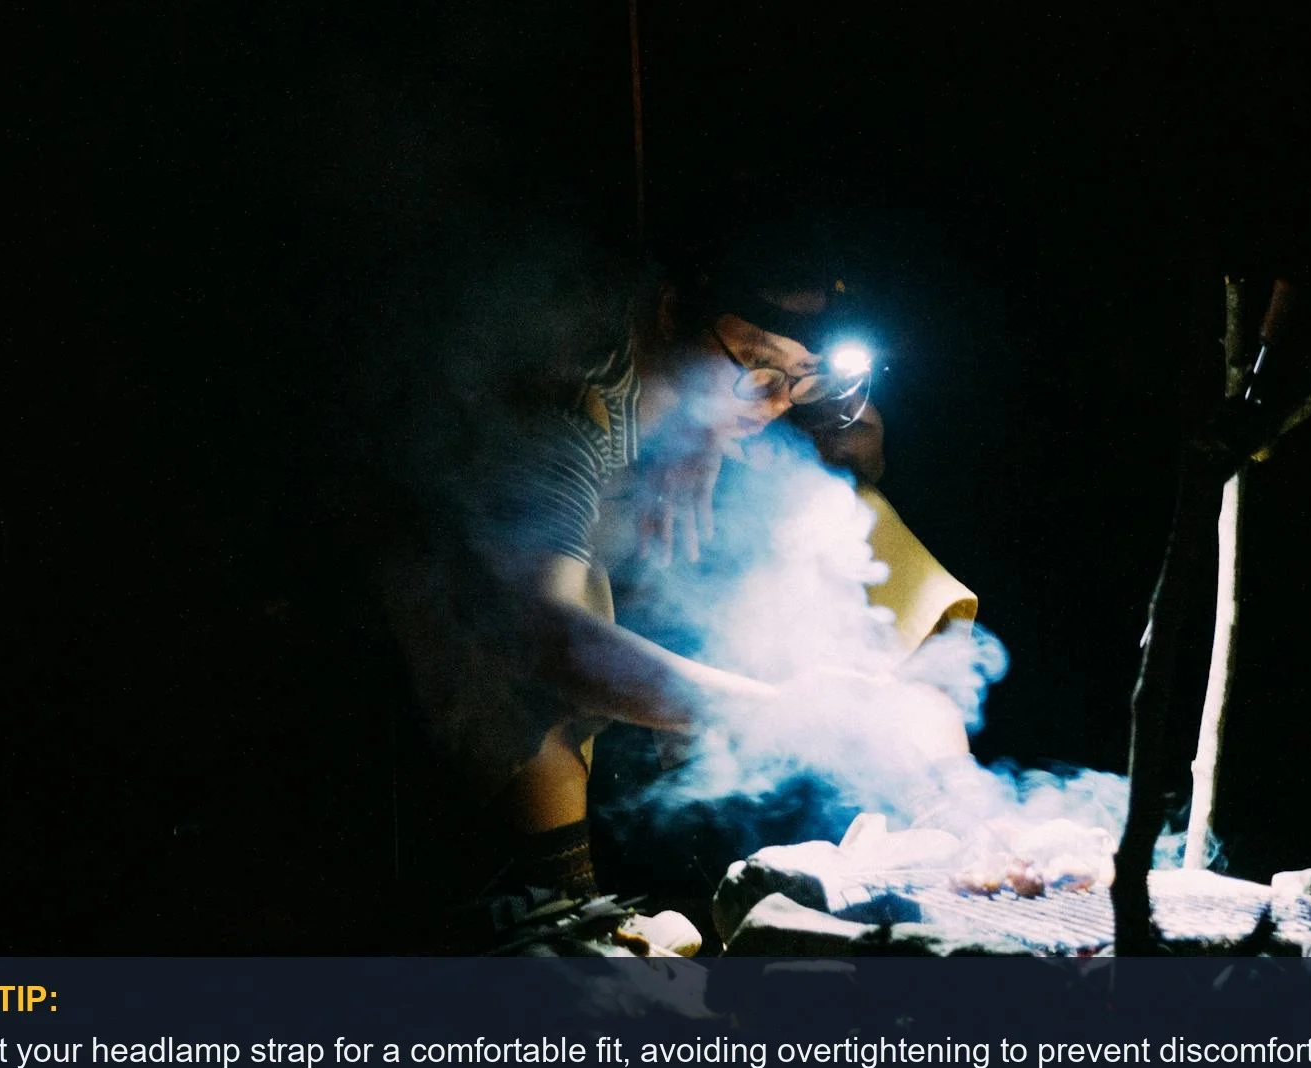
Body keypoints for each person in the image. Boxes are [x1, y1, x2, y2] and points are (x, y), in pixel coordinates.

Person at [378, 218, 972, 948]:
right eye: (757, 368)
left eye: (805, 379)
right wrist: (783, 707)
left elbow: (830, 452)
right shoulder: (567, 383)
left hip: (643, 558)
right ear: (667, 315)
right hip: (472, 591)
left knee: (849, 517)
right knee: (520, 602)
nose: (779, 401)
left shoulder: (735, 394)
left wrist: (815, 445)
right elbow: (548, 636)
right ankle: (558, 908)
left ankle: (958, 823)